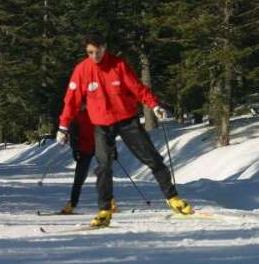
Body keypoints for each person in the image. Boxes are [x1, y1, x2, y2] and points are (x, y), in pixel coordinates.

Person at [57, 34, 192, 227]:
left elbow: (137, 88)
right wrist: (63, 126)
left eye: (98, 51)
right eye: (90, 52)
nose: (95, 56)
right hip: (101, 125)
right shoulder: (82, 70)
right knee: (103, 166)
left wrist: (154, 105)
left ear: (105, 47)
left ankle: (173, 199)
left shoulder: (118, 65)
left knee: (152, 159)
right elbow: (71, 101)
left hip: (126, 121)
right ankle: (104, 210)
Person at [59, 104, 118, 215]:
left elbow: (108, 132)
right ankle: (72, 204)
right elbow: (73, 133)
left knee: (104, 175)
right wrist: (75, 149)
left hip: (99, 147)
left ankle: (111, 202)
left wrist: (113, 148)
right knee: (79, 178)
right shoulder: (77, 115)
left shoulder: (99, 113)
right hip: (84, 149)